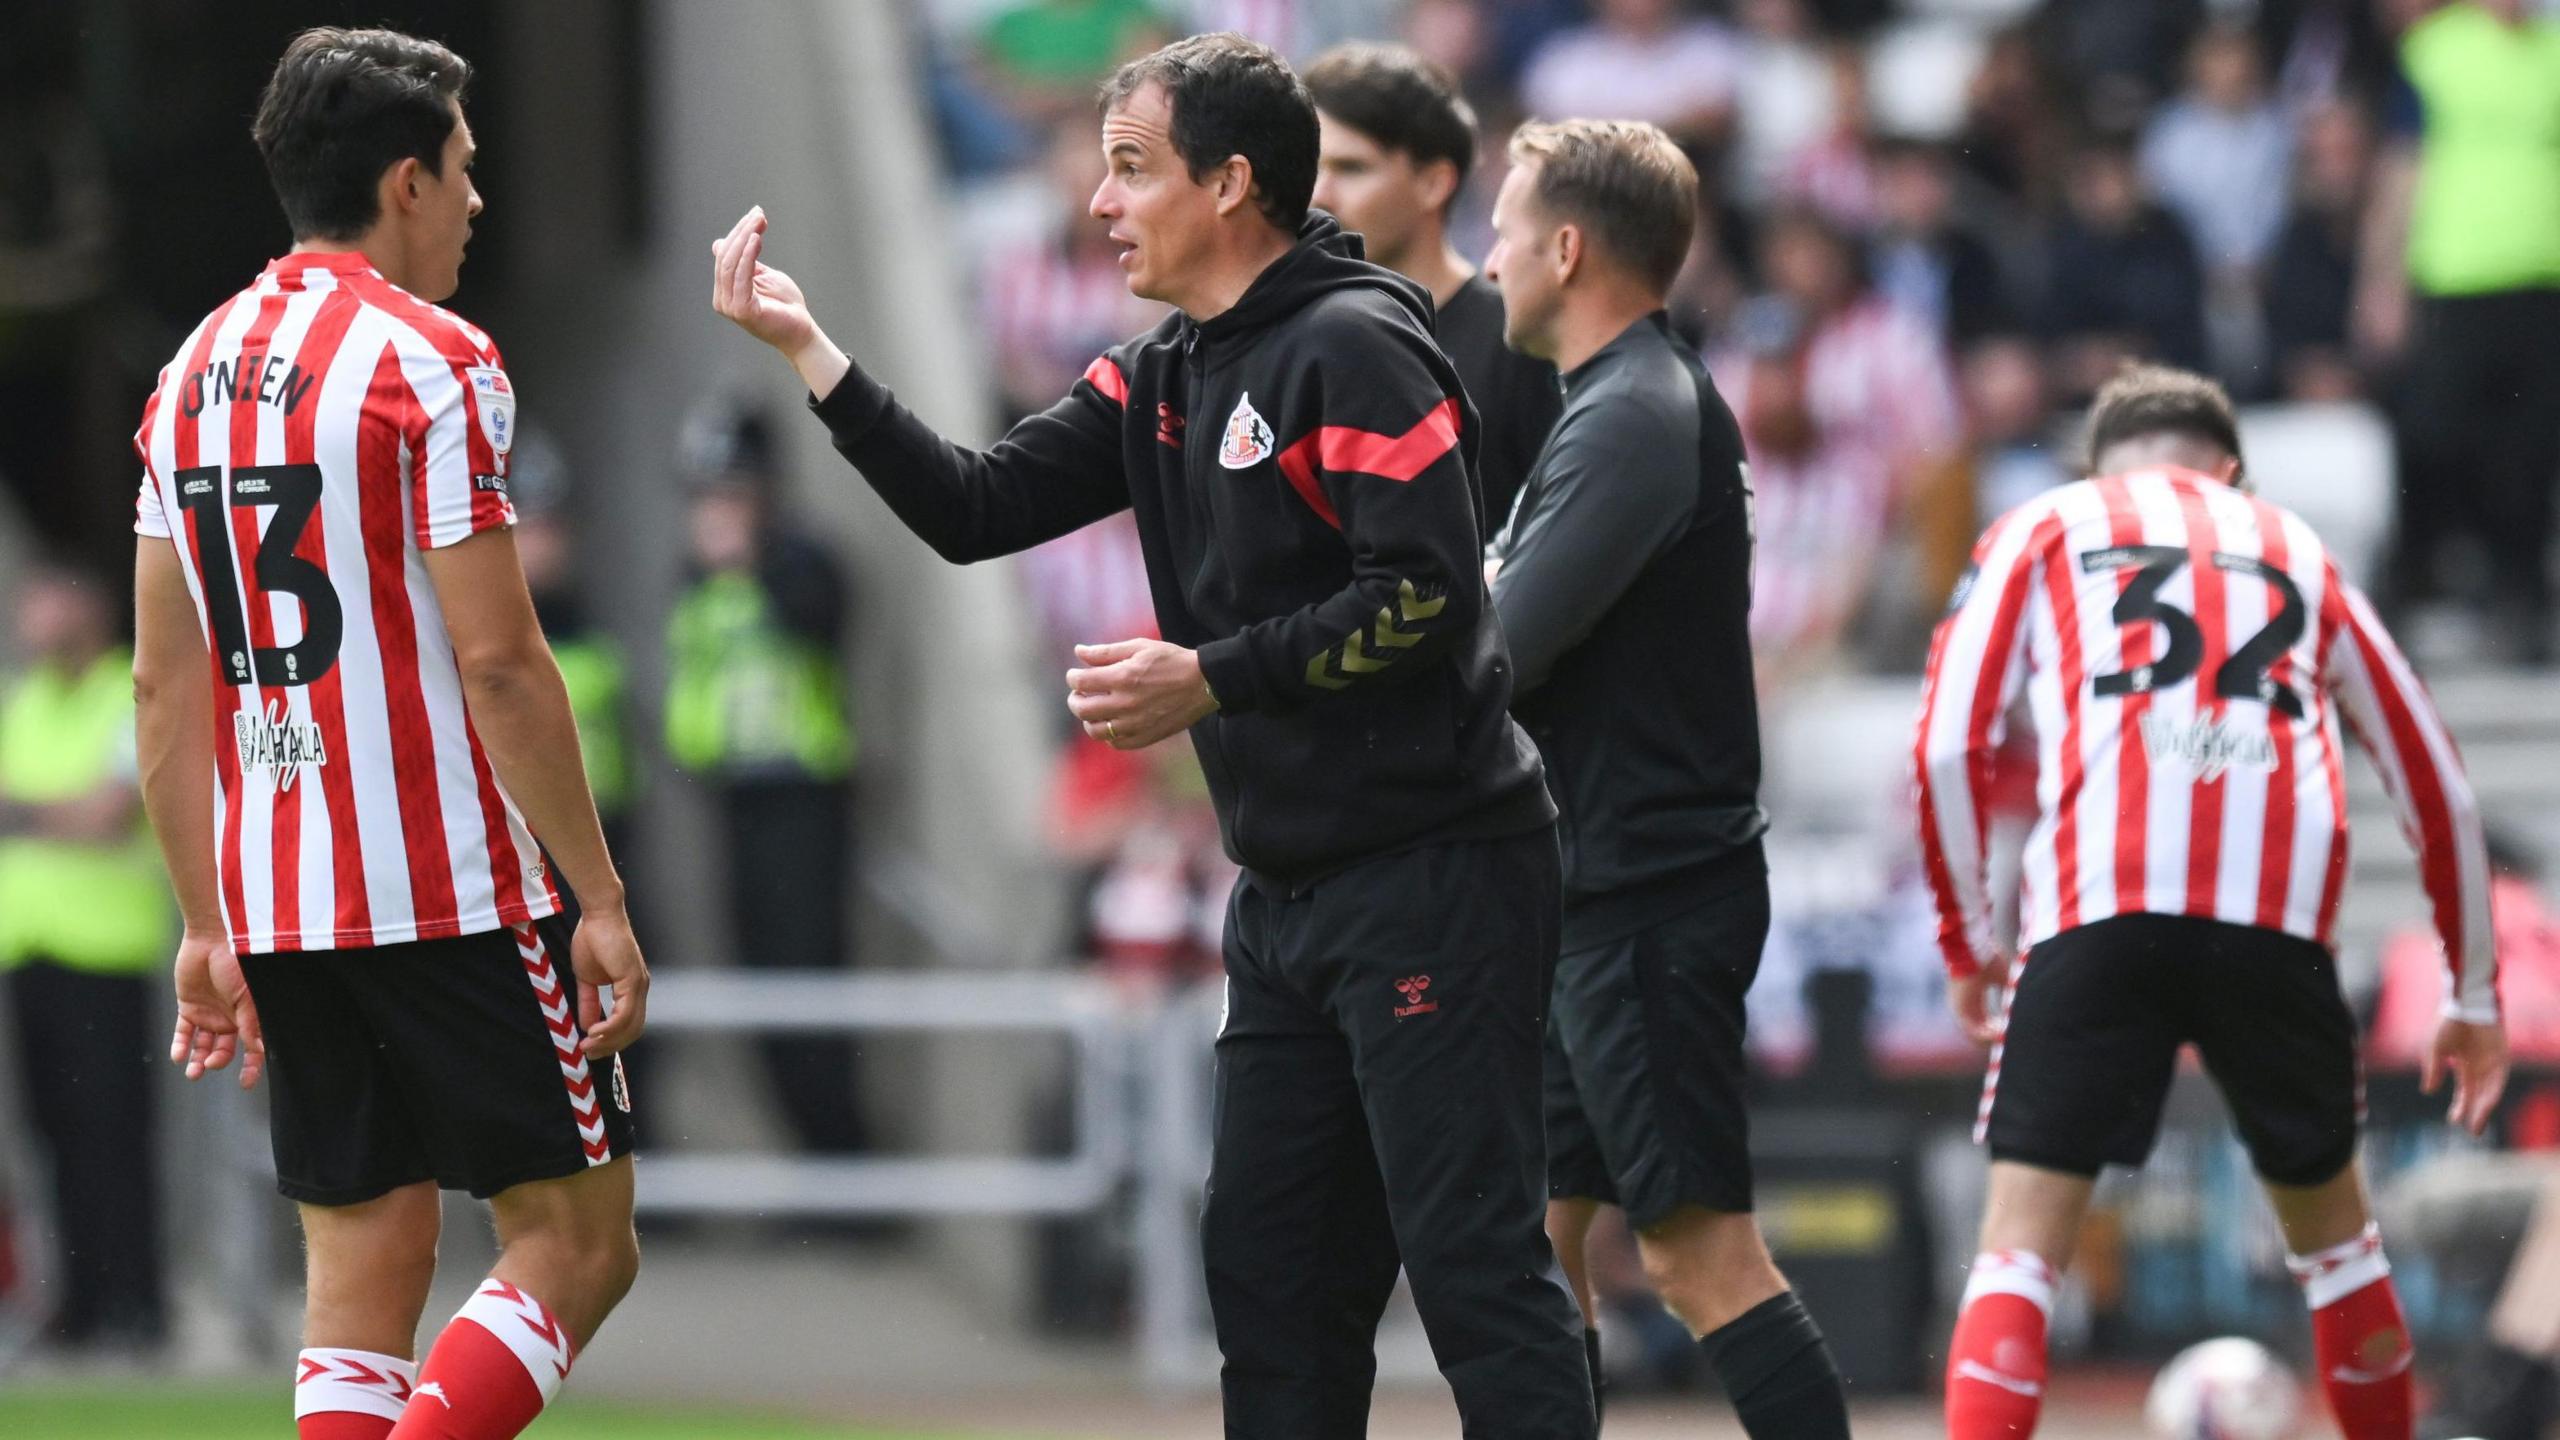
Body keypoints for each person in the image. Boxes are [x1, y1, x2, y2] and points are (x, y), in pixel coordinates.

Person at [713, 33, 1594, 1438]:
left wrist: (1213, 679)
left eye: (1132, 169)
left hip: (1438, 877)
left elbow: (1426, 599)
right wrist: (812, 354)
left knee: (1476, 1270)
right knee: (1268, 1277)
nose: (1100, 204)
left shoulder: (1355, 346)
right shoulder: (1165, 370)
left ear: (1231, 184)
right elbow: (976, 507)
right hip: (1292, 895)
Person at [130, 29, 645, 1440]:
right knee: (580, 1242)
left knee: (367, 1261)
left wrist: (202, 924)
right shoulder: (436, 362)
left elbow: (165, 691)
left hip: (282, 895)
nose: (480, 201)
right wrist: (595, 894)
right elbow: (500, 659)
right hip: (449, 880)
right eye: (467, 172)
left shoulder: (190, 376)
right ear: (406, 183)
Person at [1914, 364, 2509, 1440]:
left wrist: (1968, 937)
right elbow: (2438, 785)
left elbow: (1952, 739)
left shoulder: (2048, 522)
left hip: (2096, 915)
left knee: (2018, 1252)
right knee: (2338, 1251)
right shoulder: (2297, 549)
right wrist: (2470, 989)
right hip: (2272, 935)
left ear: (2101, 468)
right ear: (2229, 471)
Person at [1482, 118, 1852, 1439]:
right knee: (1538, 1241)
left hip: (1646, 894)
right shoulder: (1624, 403)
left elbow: (1502, 654)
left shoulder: (1635, 413)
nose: (1491, 256)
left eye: (1506, 231)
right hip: (1602, 891)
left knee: (1701, 1259)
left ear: (1567, 249)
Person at [663, 405, 866, 1158]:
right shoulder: (698, 581)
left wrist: (756, 561)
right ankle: (815, 1166)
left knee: (810, 982)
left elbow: (824, 619)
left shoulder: (802, 560)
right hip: (736, 800)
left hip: (806, 800)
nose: (715, 513)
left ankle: (846, 1165)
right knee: (760, 989)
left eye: (731, 493)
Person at [0, 566, 169, 1354]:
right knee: (52, 1136)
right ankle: (77, 1301)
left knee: (114, 1136)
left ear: (90, 612)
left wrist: (21, 811)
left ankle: (136, 1302)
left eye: (52, 603)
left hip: (104, 952)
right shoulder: (26, 701)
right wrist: (48, 813)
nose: (37, 621)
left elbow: (105, 814)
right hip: (28, 948)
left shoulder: (125, 693)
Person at [2363, 0, 2560, 659]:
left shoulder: (2551, 52)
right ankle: (2414, 580)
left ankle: (2521, 603)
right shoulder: (2436, 50)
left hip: (2541, 279)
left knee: (2530, 452)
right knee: (2434, 437)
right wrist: (2382, 278)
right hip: (2453, 277)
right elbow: (2400, 166)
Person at [1304, 40, 1560, 532]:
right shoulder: (1286, 337)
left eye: (1351, 168)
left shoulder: (1517, 337)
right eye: (1312, 165)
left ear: (1434, 183)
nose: (1319, 194)